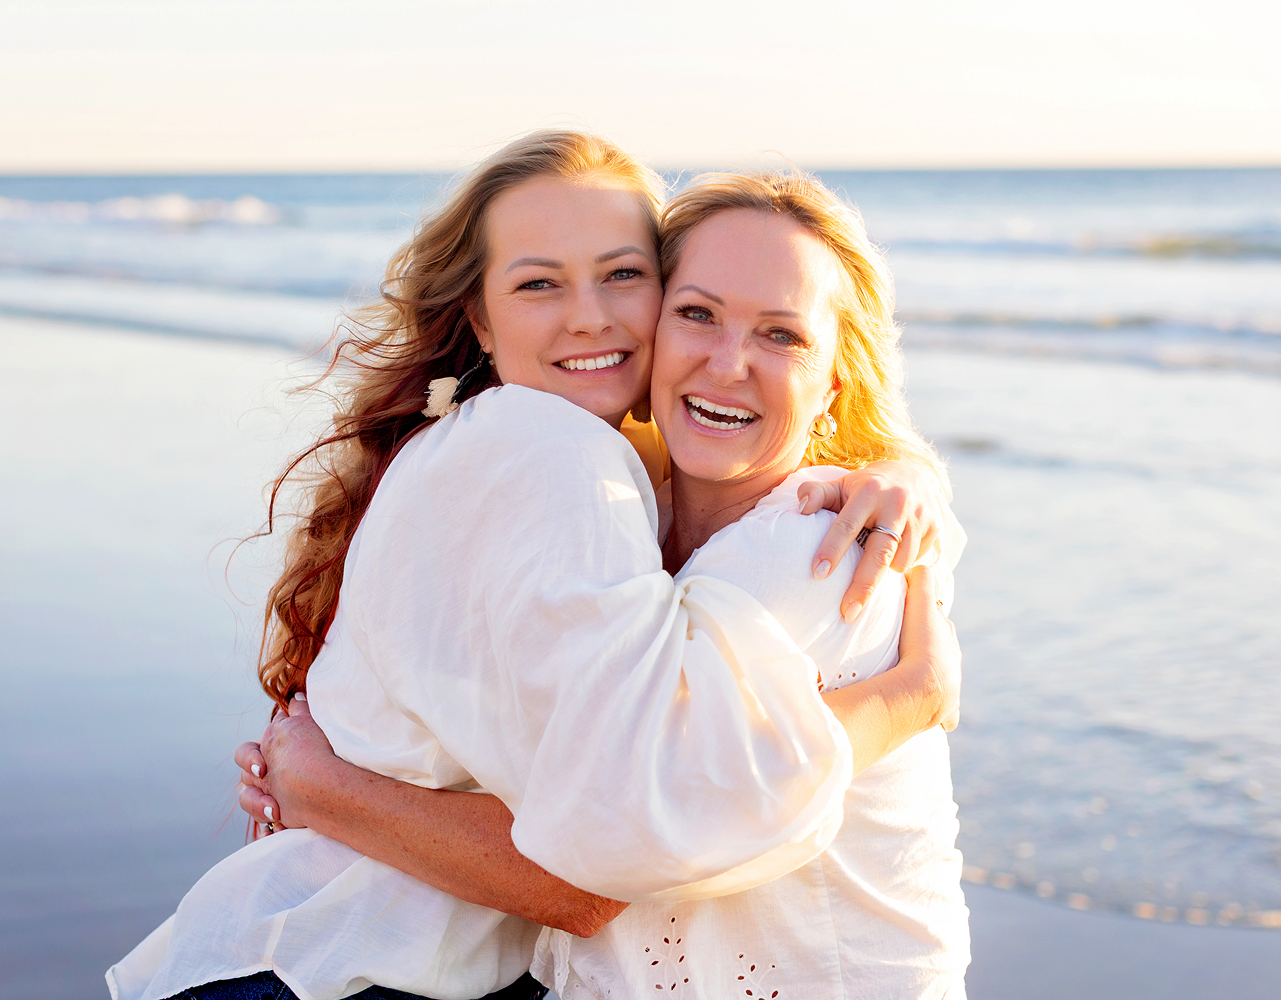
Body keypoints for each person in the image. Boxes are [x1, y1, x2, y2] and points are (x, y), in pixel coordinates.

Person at [108, 131, 959, 1000]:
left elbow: (602, 861)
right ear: (479, 315)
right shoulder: (568, 466)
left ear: (833, 379)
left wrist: (318, 784)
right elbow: (597, 863)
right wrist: (906, 697)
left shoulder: (784, 533)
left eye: (623, 275)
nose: (591, 316)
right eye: (698, 312)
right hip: (351, 971)